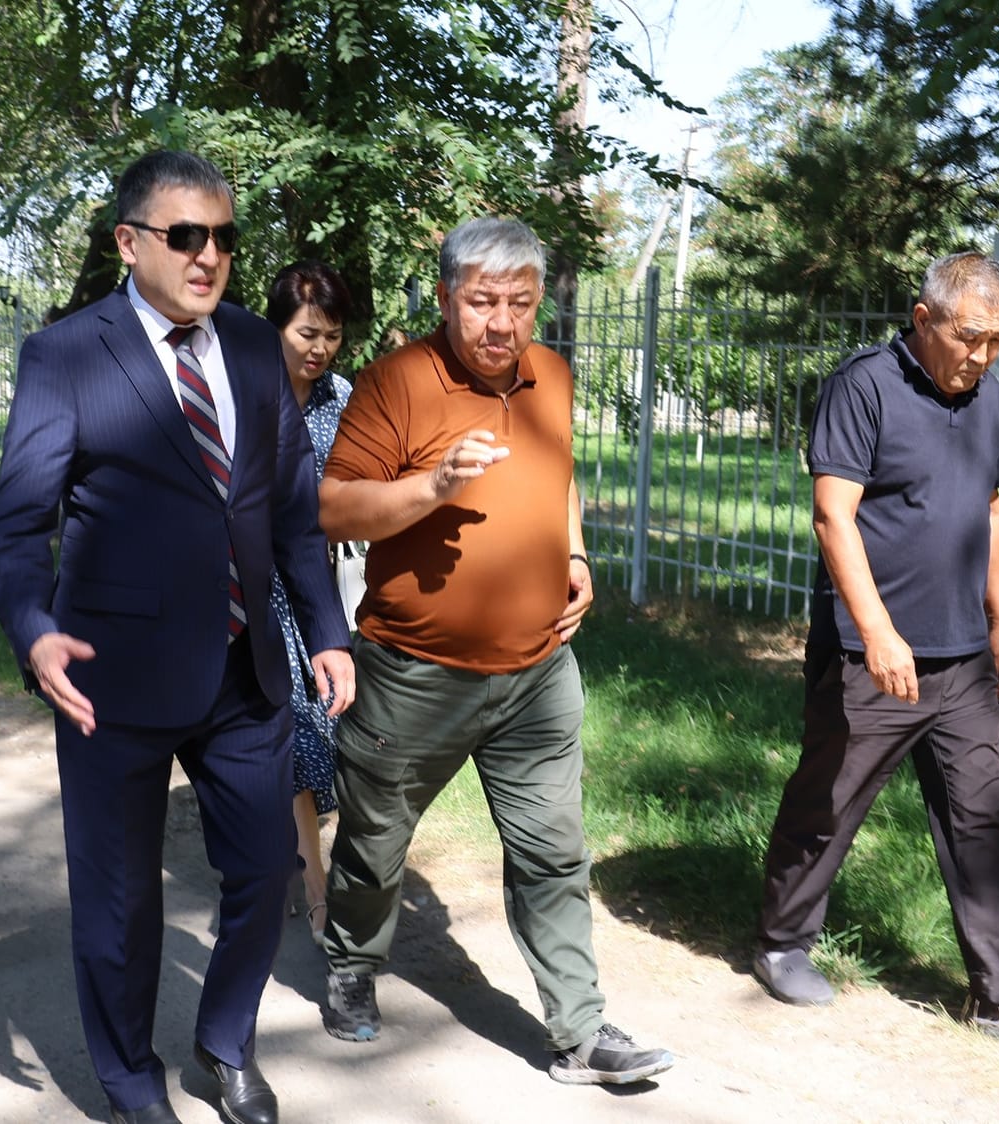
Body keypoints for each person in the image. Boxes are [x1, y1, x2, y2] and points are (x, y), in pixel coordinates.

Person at [0, 151, 355, 1124]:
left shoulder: (253, 345)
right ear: (129, 241)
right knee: (120, 901)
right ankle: (128, 1082)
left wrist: (327, 630)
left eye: (224, 237)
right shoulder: (65, 354)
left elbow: (291, 508)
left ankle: (225, 1042)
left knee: (265, 867)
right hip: (109, 678)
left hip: (244, 669)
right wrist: (33, 630)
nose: (209, 255)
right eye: (185, 235)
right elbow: (19, 526)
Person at [316, 216, 673, 1086]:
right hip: (413, 676)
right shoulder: (397, 381)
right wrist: (434, 486)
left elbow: (558, 474)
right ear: (447, 298)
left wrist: (575, 553)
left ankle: (579, 1032)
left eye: (519, 302)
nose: (501, 323)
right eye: (481, 303)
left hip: (537, 674)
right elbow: (334, 506)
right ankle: (352, 961)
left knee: (554, 853)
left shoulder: (552, 373)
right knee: (374, 842)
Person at [750, 251, 999, 1045]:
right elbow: (833, 515)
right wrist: (877, 631)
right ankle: (781, 944)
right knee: (828, 804)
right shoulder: (865, 385)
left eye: (998, 340)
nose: (982, 355)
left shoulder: (989, 394)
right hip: (868, 652)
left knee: (983, 817)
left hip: (962, 654)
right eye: (969, 337)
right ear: (923, 319)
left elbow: (990, 507)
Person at [264, 260, 354, 940]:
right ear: (277, 329)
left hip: (322, 591)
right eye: (307, 333)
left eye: (332, 336)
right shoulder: (244, 394)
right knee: (293, 730)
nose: (320, 349)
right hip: (254, 589)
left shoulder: (342, 400)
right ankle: (315, 885)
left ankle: (299, 865)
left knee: (330, 728)